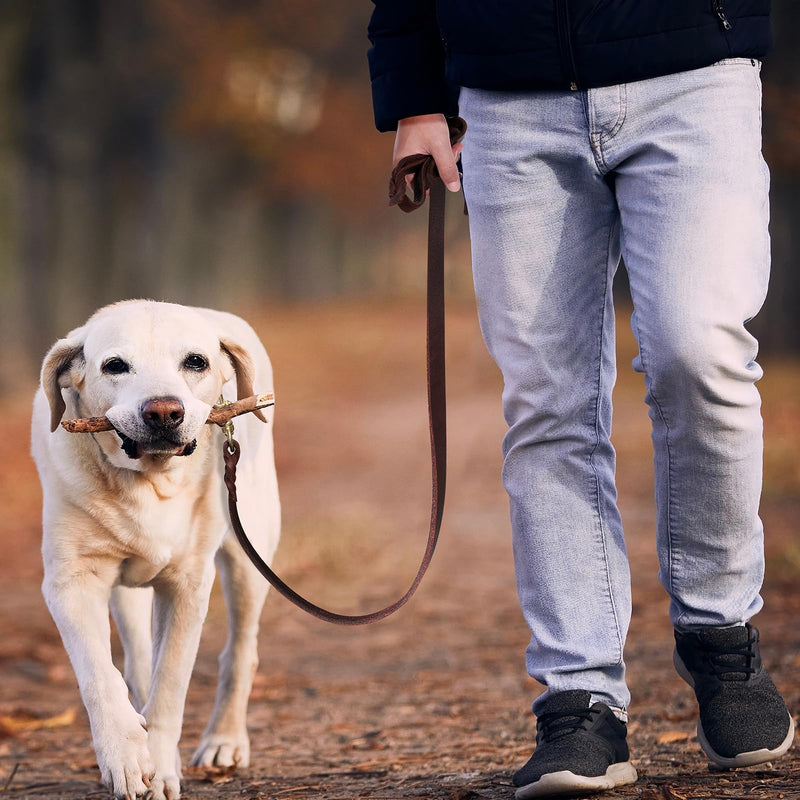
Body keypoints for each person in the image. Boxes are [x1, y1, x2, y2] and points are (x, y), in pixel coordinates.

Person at [367, 2, 795, 798]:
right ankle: (580, 696)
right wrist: (416, 97)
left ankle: (719, 635)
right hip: (509, 97)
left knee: (700, 352)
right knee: (547, 402)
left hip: (692, 71)